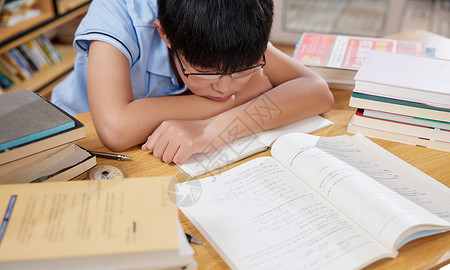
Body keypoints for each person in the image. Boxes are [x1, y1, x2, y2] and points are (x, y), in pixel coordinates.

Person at [51, 0, 334, 164]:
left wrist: (215, 130)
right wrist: (246, 94)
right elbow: (116, 129)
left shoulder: (235, 15)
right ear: (165, 35)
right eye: (206, 71)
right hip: (71, 131)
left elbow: (317, 91)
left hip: (156, 132)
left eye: (244, 70)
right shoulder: (118, 13)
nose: (225, 88)